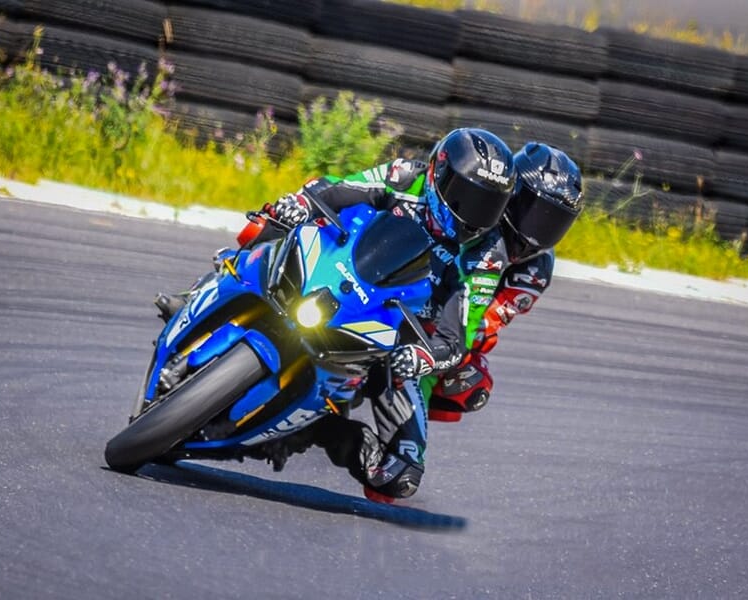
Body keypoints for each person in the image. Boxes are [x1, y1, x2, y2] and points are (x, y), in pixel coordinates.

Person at [156, 128, 516, 501]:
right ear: (439, 174)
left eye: (485, 206)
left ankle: (317, 428)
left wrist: (423, 356)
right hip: (339, 269)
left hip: (388, 332)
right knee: (268, 223)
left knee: (399, 475)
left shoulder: (476, 259)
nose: (470, 213)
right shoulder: (404, 177)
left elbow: (456, 340)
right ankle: (203, 292)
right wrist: (301, 202)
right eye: (465, 196)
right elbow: (335, 189)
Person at [423, 142, 585, 421]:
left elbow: (487, 322)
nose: (539, 230)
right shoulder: (475, 217)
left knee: (472, 382)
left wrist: (444, 333)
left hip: (455, 321)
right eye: (536, 212)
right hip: (418, 285)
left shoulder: (537, 269)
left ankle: (408, 415)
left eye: (554, 221)